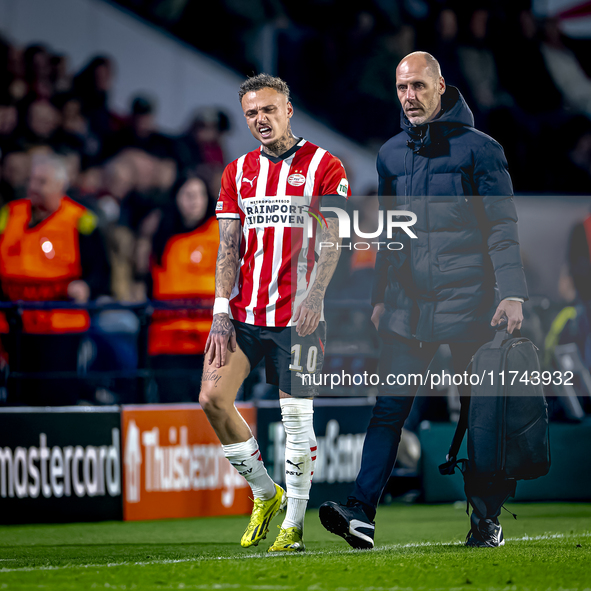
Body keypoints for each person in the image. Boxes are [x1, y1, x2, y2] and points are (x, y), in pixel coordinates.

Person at [319, 52, 528, 549]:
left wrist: (514, 292)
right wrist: (377, 298)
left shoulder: (482, 150)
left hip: (471, 304)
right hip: (407, 308)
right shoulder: (390, 153)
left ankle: (486, 521)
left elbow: (501, 227)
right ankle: (360, 512)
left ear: (439, 87)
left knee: (478, 414)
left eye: (417, 86)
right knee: (387, 411)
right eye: (401, 88)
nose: (408, 97)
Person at [199, 73, 349, 552]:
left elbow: (333, 237)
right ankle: (265, 492)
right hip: (244, 314)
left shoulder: (326, 165)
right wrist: (221, 312)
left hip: (299, 317)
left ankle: (294, 526)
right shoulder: (237, 171)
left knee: (296, 422)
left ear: (288, 110)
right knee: (212, 399)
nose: (259, 120)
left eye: (267, 109)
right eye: (251, 113)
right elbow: (228, 247)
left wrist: (316, 295)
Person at [0, 152, 110, 405]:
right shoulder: (8, 214)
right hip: (15, 326)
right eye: (32, 181)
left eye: (42, 182)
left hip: (60, 326)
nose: (33, 188)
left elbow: (101, 272)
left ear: (60, 186)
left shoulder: (81, 220)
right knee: (17, 397)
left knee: (55, 394)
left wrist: (86, 287)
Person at [146, 175, 218, 402]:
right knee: (174, 408)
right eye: (188, 195)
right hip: (169, 343)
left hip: (212, 344)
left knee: (214, 412)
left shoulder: (225, 232)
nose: (194, 201)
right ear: (176, 198)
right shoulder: (161, 237)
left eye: (200, 195)